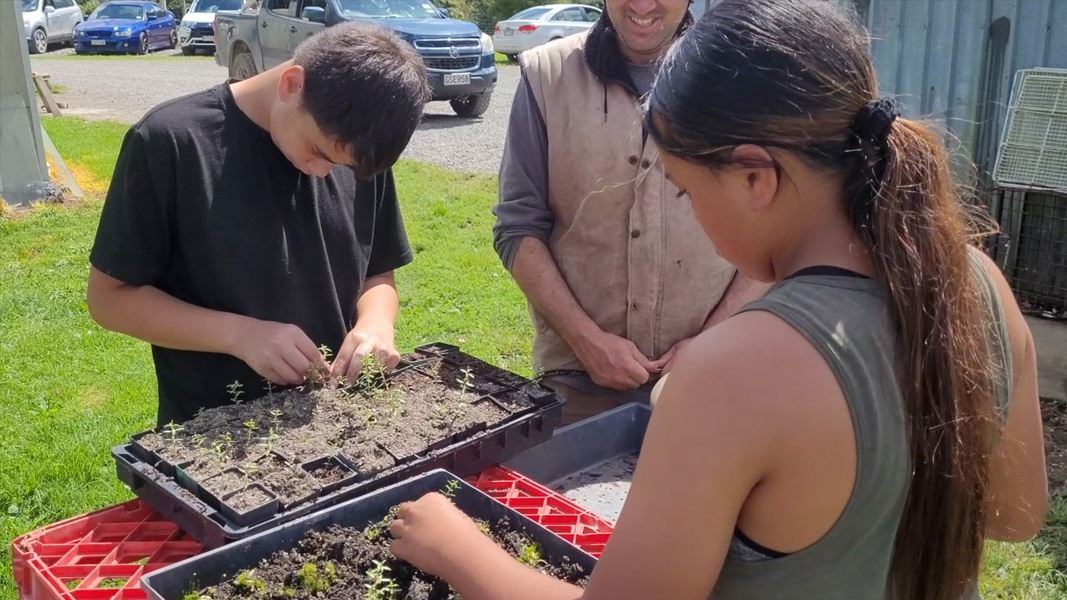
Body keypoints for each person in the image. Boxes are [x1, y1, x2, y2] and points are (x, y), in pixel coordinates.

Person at [389, 1, 1050, 598]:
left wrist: (456, 548)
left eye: (684, 188)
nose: (691, 212)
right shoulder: (976, 281)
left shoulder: (736, 370)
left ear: (755, 176)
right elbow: (1015, 516)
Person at [86, 23, 430, 426]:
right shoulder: (171, 142)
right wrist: (240, 335)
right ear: (291, 83)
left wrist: (377, 322)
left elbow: (378, 273)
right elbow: (109, 299)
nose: (325, 173)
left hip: (336, 421)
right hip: (215, 433)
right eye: (319, 153)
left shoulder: (355, 155)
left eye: (342, 166)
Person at [493, 0, 768, 423]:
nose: (642, 5)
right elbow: (517, 227)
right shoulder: (546, 75)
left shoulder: (743, 80)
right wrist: (586, 341)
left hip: (714, 377)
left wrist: (709, 343)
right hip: (577, 378)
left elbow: (774, 229)